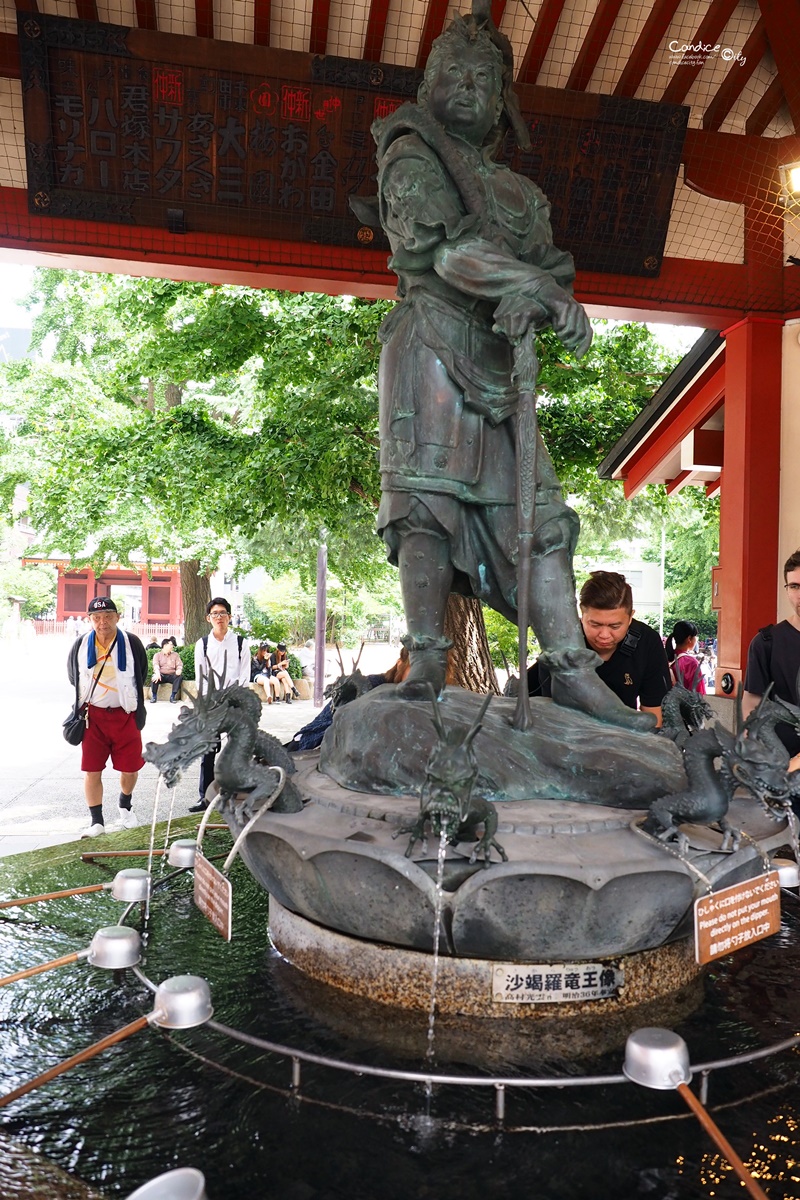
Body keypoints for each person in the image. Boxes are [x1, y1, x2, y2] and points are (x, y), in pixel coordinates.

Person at [359, 11, 651, 733]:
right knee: (424, 507)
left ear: (500, 103)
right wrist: (538, 292)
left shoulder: (523, 197)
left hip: (498, 363)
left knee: (542, 521)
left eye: (481, 80)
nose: (465, 88)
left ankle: (573, 673)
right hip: (429, 344)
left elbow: (546, 272)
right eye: (451, 75)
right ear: (427, 88)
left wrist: (539, 300)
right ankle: (426, 658)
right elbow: (447, 256)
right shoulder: (410, 152)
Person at [527, 572, 672, 726]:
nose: (604, 635)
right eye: (595, 625)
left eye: (615, 626)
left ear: (630, 617)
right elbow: (555, 718)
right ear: (582, 615)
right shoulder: (560, 643)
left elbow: (654, 716)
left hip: (624, 736)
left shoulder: (647, 642)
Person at [66, 596, 147, 837]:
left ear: (117, 617)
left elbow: (140, 674)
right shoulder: (81, 644)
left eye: (108, 616)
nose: (103, 622)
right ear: (90, 619)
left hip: (125, 715)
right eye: (97, 617)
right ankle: (96, 821)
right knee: (92, 770)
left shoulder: (131, 642)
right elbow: (74, 677)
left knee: (131, 768)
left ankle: (125, 805)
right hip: (93, 717)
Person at [190, 597, 252, 812]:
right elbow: (201, 676)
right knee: (209, 752)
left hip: (236, 703)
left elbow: (244, 675)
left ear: (230, 617)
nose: (219, 617)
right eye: (215, 613)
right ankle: (205, 797)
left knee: (237, 750)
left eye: (223, 613)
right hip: (212, 704)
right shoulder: (203, 644)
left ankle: (235, 796)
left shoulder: (241, 643)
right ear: (209, 618)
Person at [743, 548, 800, 770]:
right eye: (794, 586)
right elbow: (751, 710)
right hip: (778, 771)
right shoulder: (766, 643)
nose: (799, 594)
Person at [665, 620, 705, 694]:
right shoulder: (691, 663)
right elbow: (699, 694)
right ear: (689, 639)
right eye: (696, 636)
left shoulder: (664, 658)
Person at [150, 637, 183, 703]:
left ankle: (173, 696)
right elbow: (155, 665)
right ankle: (154, 696)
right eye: (170, 645)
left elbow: (179, 665)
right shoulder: (157, 655)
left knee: (179, 677)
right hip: (161, 675)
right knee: (154, 677)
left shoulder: (175, 655)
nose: (172, 646)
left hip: (172, 675)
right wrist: (157, 673)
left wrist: (179, 670)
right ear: (164, 645)